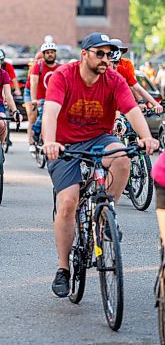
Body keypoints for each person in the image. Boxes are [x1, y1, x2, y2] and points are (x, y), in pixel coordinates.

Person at [42, 32, 159, 298]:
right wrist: (49, 142)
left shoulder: (114, 79)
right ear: (85, 54)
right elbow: (50, 111)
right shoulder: (64, 75)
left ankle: (108, 211)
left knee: (122, 157)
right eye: (100, 53)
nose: (106, 59)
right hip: (65, 145)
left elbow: (132, 110)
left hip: (98, 139)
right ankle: (63, 269)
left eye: (109, 54)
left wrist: (147, 138)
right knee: (69, 202)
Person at [111, 39, 163, 114]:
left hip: (122, 101)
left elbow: (135, 86)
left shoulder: (123, 68)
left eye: (115, 63)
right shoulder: (98, 70)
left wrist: (142, 102)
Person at [30, 42, 60, 141]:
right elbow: (33, 82)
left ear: (55, 54)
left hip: (56, 98)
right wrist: (34, 99)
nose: (50, 54)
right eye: (47, 52)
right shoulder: (38, 66)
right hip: (42, 98)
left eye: (52, 52)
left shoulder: (60, 67)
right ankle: (36, 129)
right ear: (43, 54)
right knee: (45, 111)